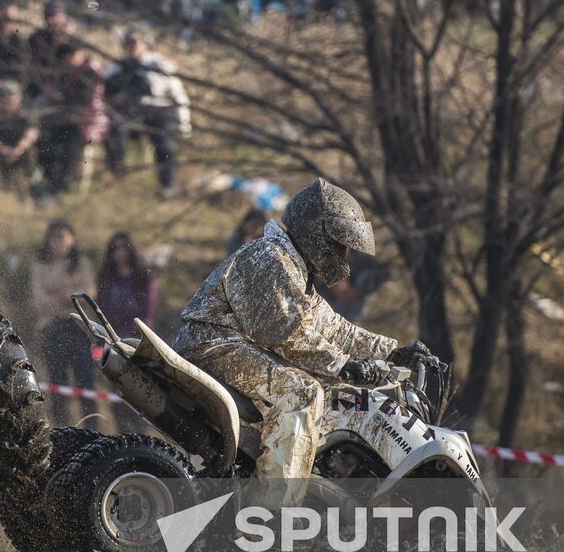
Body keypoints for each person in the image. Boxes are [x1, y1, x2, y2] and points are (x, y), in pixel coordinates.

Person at [173, 178, 428, 481]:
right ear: (315, 233)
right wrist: (344, 365)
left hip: (224, 345)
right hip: (211, 344)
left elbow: (335, 328)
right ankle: (273, 510)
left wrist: (392, 351)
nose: (343, 256)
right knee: (301, 393)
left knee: (323, 395)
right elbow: (286, 333)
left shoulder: (294, 269)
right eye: (338, 245)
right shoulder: (270, 258)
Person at [104, 28, 191, 195]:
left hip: (159, 111)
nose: (133, 45)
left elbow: (176, 93)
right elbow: (106, 89)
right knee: (113, 131)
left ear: (146, 43)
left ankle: (167, 185)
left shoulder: (158, 64)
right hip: (132, 113)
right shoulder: (119, 67)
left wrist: (184, 122)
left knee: (164, 144)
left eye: (136, 41)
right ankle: (117, 174)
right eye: (129, 42)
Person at [30, 220, 96, 425]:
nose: (58, 242)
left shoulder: (82, 264)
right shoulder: (40, 266)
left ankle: (93, 429)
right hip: (51, 328)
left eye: (62, 236)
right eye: (54, 237)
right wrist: (69, 297)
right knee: (57, 383)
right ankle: (62, 429)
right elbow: (40, 301)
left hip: (79, 328)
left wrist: (60, 296)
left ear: (72, 239)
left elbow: (88, 295)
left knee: (86, 383)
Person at [35, 42, 107, 195]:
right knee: (44, 139)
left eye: (70, 55)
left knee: (71, 145)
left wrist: (59, 96)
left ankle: (61, 186)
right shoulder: (66, 70)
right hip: (66, 117)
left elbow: (84, 97)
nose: (67, 59)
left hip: (89, 120)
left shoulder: (91, 70)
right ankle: (49, 179)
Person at [96, 231, 157, 336]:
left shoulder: (143, 276)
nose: (120, 253)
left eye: (123, 248)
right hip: (113, 332)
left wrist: (127, 309)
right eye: (115, 248)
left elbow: (147, 308)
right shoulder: (106, 278)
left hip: (139, 331)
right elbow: (102, 307)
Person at [25, 0, 81, 98]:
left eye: (55, 16)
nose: (51, 21)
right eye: (48, 16)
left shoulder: (75, 42)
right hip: (41, 87)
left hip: (67, 89)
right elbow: (33, 67)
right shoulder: (37, 39)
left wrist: (64, 40)